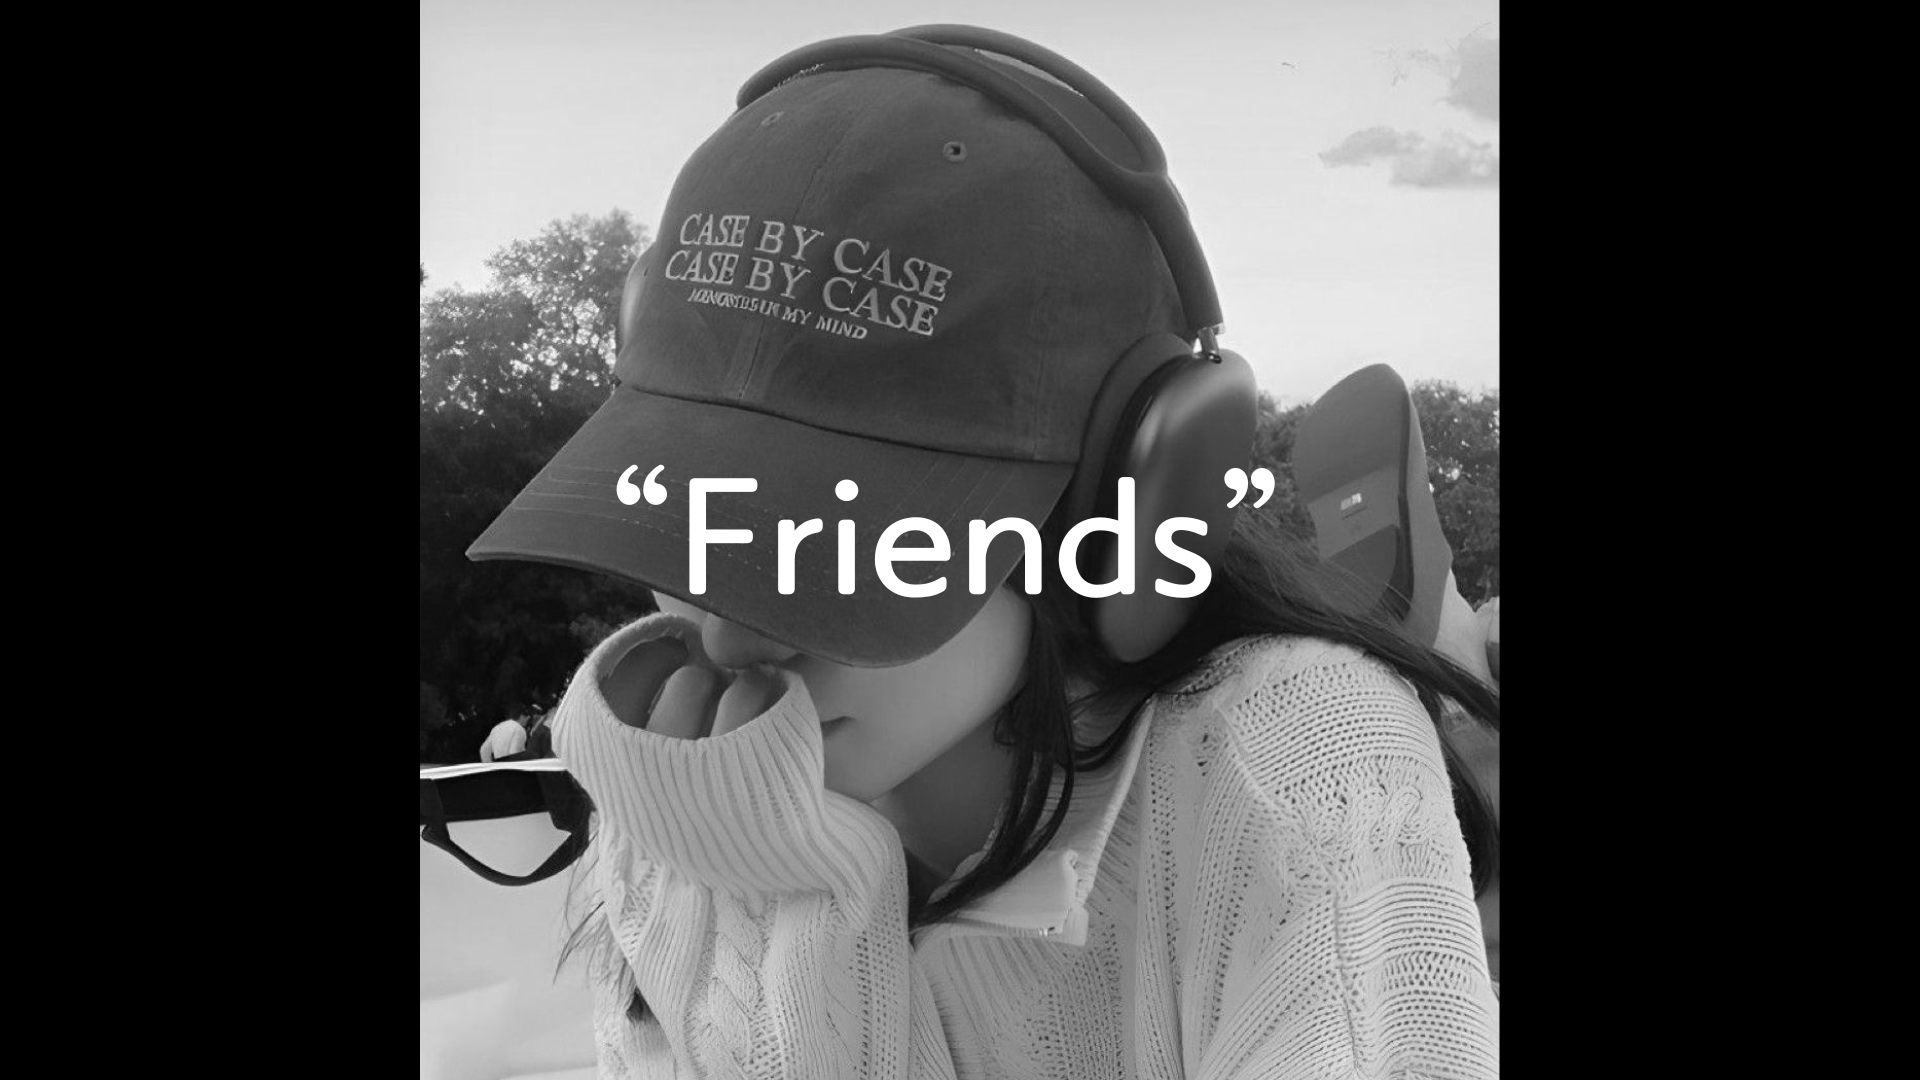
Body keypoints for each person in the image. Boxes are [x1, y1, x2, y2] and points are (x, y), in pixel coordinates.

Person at [465, 25, 1499, 1079]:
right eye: (690, 526)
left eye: (840, 542)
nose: (727, 639)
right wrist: (749, 883)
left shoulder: (1295, 766)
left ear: (1128, 512)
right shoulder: (677, 791)